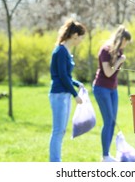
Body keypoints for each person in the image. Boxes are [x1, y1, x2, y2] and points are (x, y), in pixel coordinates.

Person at [49, 19, 87, 162]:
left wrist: (78, 84)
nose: (82, 40)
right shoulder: (60, 51)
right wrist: (75, 94)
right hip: (59, 95)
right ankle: (55, 162)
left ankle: (56, 160)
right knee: (58, 131)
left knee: (61, 131)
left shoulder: (66, 51)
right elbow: (62, 77)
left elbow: (66, 75)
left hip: (64, 94)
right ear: (75, 35)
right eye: (81, 36)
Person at [92, 25, 132, 162]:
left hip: (112, 89)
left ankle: (107, 155)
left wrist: (120, 59)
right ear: (121, 39)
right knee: (108, 121)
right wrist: (120, 61)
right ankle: (105, 155)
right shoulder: (105, 50)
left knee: (112, 122)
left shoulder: (118, 51)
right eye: (125, 42)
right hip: (101, 88)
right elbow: (108, 72)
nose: (125, 46)